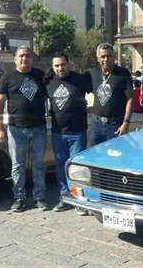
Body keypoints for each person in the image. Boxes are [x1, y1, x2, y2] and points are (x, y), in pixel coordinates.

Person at [0, 46, 49, 213]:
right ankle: (19, 197)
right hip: (16, 129)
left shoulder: (40, 76)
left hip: (38, 128)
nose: (24, 58)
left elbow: (51, 95)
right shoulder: (7, 77)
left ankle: (40, 196)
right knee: (17, 166)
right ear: (15, 59)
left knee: (39, 165)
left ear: (31, 59)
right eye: (21, 56)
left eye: (27, 56)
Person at [44, 52, 90, 213]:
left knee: (77, 168)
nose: (60, 68)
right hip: (57, 132)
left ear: (68, 64)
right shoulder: (48, 82)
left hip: (78, 132)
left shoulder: (81, 79)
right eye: (56, 65)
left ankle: (80, 200)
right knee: (60, 167)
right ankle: (65, 197)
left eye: (63, 64)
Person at [84, 43, 133, 145]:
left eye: (109, 56)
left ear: (113, 57)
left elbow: (130, 99)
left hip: (116, 124)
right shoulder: (91, 73)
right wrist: (52, 74)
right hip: (96, 125)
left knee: (115, 156)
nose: (106, 59)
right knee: (94, 157)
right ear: (98, 58)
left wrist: (126, 123)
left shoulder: (123, 73)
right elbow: (75, 84)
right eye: (103, 56)